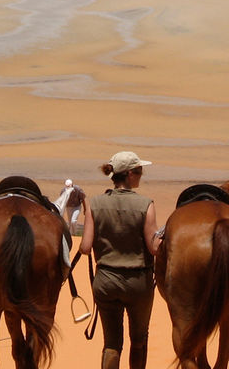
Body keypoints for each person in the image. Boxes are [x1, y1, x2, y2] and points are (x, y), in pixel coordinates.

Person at [79, 151, 161, 369]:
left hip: (105, 281)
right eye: (140, 171)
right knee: (139, 340)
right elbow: (154, 248)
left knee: (111, 344)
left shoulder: (95, 204)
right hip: (138, 283)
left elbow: (85, 247)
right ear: (131, 174)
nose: (142, 175)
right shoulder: (146, 204)